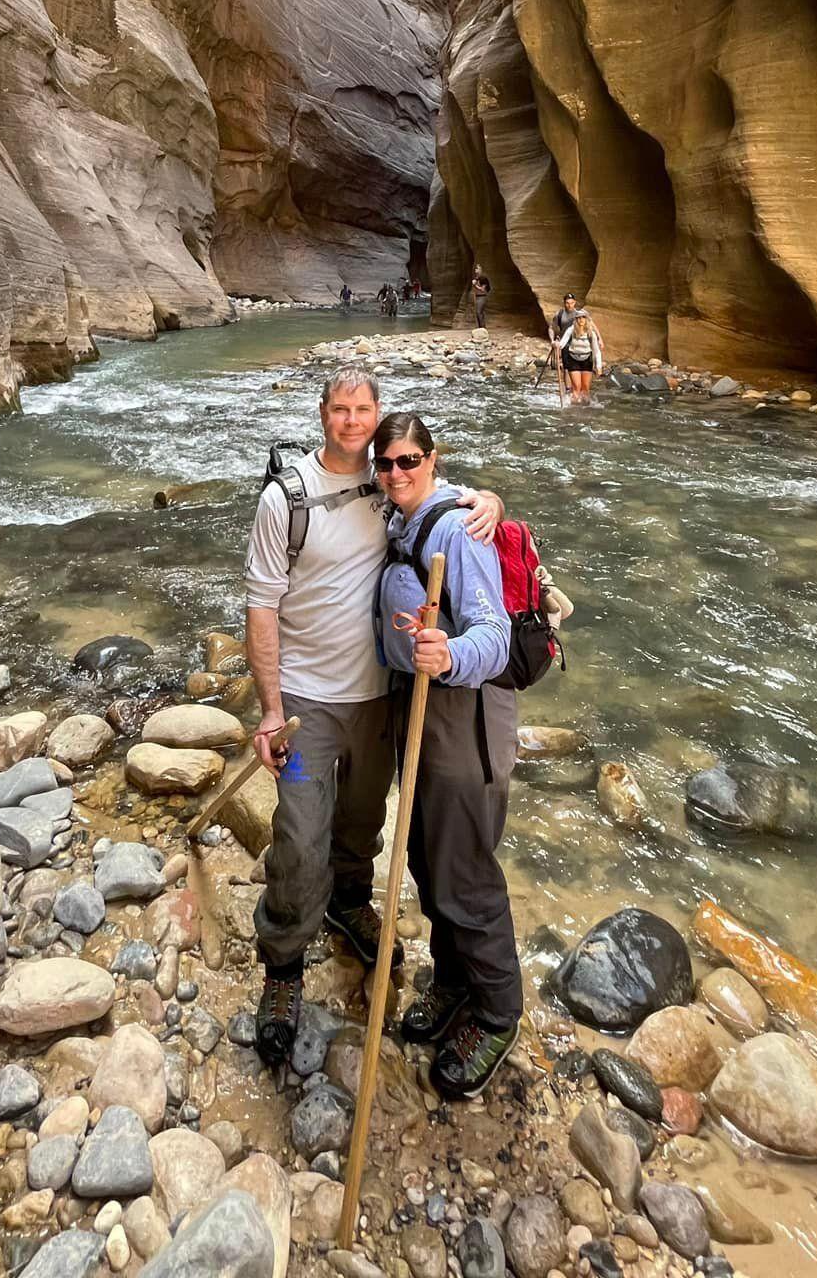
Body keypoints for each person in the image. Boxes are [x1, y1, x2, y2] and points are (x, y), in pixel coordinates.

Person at [243, 372, 504, 1065]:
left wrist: (491, 502)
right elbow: (261, 607)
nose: (353, 422)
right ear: (322, 412)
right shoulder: (286, 499)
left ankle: (348, 900)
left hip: (378, 701)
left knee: (362, 820)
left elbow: (445, 503)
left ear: (378, 415)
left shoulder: (391, 490)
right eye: (340, 409)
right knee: (300, 832)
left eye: (363, 410)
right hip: (303, 706)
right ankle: (283, 968)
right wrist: (269, 710)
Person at [371, 411, 521, 1098]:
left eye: (409, 461)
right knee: (429, 857)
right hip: (419, 706)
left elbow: (493, 633)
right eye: (387, 462)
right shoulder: (397, 518)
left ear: (433, 460)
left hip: (466, 715)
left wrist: (450, 652)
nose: (397, 473)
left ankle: (496, 1012)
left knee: (465, 870)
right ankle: (454, 981)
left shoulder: (460, 528)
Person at [559, 309, 604, 402]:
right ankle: (573, 408)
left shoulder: (591, 333)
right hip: (573, 359)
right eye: (579, 318)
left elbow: (596, 351)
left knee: (586, 388)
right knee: (577, 386)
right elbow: (562, 344)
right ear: (576, 319)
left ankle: (585, 410)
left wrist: (598, 366)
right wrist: (556, 344)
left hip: (587, 360)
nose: (581, 320)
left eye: (583, 317)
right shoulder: (571, 330)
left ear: (587, 319)